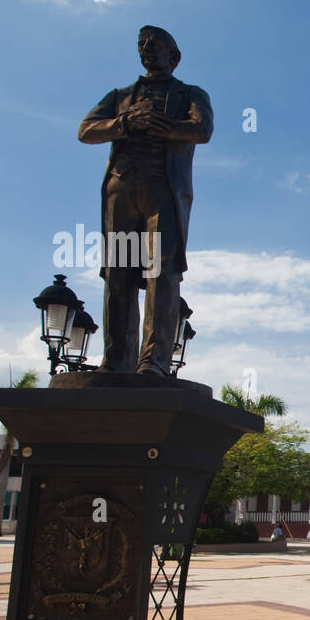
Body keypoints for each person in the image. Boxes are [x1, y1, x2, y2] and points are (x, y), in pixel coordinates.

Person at [78, 25, 213, 375]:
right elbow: (86, 130)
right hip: (122, 192)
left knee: (161, 274)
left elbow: (202, 130)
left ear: (174, 56)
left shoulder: (191, 94)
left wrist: (164, 127)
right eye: (143, 45)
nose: (148, 50)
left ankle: (153, 361)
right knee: (119, 275)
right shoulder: (121, 96)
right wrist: (124, 123)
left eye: (156, 45)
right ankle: (116, 361)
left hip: (162, 193)